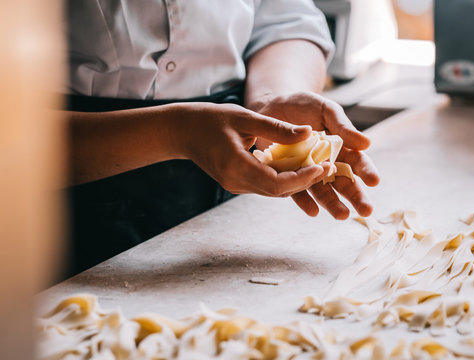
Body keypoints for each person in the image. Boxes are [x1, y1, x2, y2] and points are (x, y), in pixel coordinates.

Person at [63, 0, 380, 276]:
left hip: (225, 179)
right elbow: (11, 132)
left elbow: (285, 20)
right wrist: (178, 131)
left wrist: (272, 100)